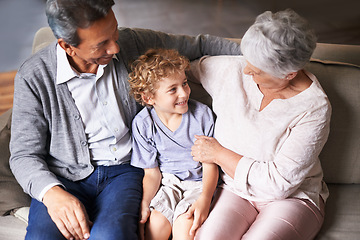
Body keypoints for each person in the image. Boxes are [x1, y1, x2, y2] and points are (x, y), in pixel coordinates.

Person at [9, 0, 241, 239]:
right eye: (102, 44)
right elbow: (23, 154)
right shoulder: (33, 76)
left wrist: (262, 60)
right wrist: (52, 193)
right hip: (63, 177)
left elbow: (200, 44)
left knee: (112, 236)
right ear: (68, 47)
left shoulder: (132, 43)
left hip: (123, 172)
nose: (115, 48)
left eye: (114, 32)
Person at [190, 9, 331, 240]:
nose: (246, 70)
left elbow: (278, 185)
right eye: (248, 62)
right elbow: (175, 67)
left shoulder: (314, 108)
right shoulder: (232, 69)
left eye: (256, 71)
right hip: (234, 190)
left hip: (292, 198)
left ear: (289, 74)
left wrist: (218, 153)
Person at [128, 48, 218, 240]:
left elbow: (210, 165)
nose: (184, 93)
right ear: (148, 98)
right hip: (169, 185)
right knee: (156, 226)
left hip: (198, 185)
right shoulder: (143, 124)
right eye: (173, 89)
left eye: (184, 84)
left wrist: (205, 198)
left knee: (184, 228)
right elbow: (151, 173)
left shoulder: (202, 115)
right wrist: (145, 204)